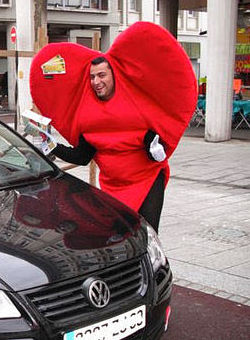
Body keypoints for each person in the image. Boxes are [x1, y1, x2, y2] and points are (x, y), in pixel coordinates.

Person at [30, 22, 197, 233]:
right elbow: (82, 157)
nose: (96, 81)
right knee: (121, 236)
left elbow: (155, 148)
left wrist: (155, 148)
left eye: (101, 75)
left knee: (147, 233)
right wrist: (48, 144)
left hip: (147, 180)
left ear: (113, 75)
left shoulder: (136, 103)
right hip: (114, 186)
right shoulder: (86, 114)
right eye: (92, 77)